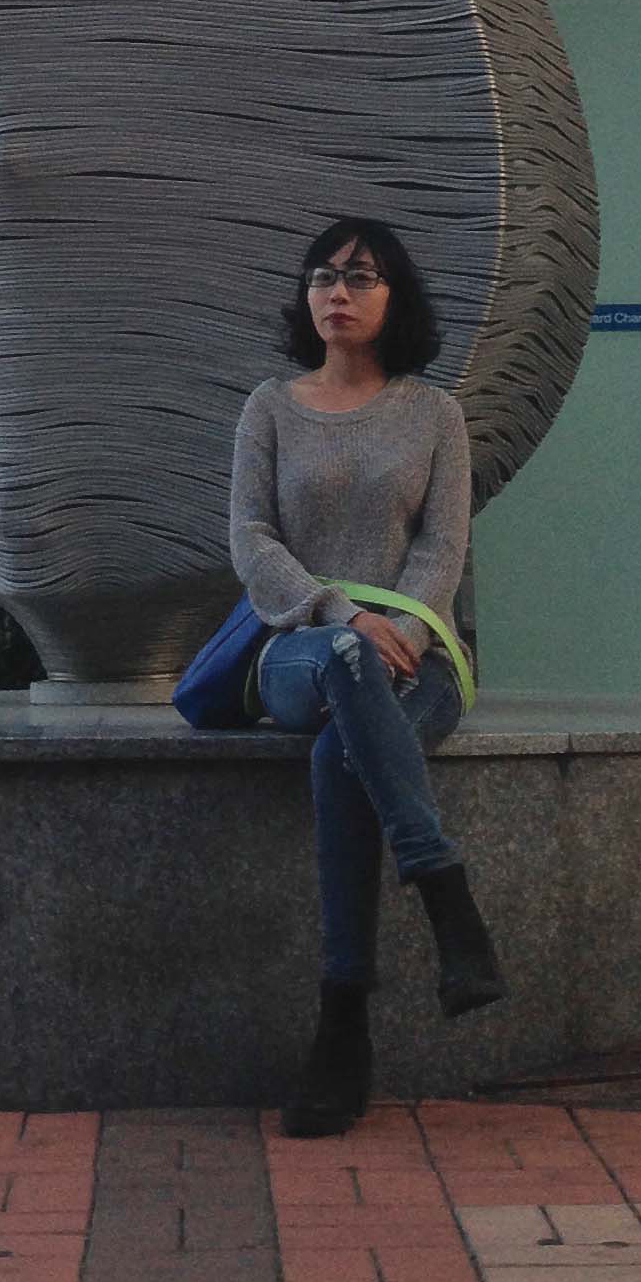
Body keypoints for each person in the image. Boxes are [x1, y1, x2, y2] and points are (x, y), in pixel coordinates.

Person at [229, 217, 505, 1139]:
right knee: (348, 664)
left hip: (420, 656)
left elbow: (443, 546)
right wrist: (342, 614)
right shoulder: (270, 407)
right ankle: (444, 893)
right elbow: (251, 540)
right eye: (322, 277)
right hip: (302, 646)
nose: (336, 292)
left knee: (338, 760)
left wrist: (405, 627)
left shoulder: (435, 416)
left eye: (359, 277)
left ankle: (342, 1026)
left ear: (396, 299)